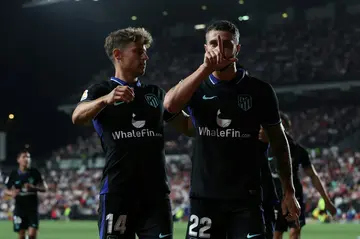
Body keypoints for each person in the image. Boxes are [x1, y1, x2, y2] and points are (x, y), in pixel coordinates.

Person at [163, 20, 300, 239]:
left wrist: (289, 191)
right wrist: (205, 68)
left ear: (237, 48)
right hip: (205, 199)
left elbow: (279, 141)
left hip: (247, 200)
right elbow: (169, 106)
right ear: (206, 49)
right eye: (213, 44)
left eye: (227, 44)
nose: (220, 49)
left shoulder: (259, 91)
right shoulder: (197, 86)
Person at [72, 27, 192, 239]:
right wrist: (106, 100)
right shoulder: (100, 90)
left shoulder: (155, 93)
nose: (145, 56)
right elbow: (78, 116)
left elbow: (188, 127)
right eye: (139, 51)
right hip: (118, 193)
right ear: (118, 55)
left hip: (156, 196)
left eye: (145, 51)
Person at [259, 112, 337, 239]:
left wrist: (326, 200)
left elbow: (313, 176)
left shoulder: (298, 150)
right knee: (276, 234)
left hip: (294, 195)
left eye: (282, 126)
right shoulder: (264, 148)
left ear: (287, 128)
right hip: (274, 197)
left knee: (295, 232)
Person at [5, 150, 47, 239]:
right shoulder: (14, 174)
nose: (26, 159)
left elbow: (45, 188)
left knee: (32, 235)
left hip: (32, 209)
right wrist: (12, 193)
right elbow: (6, 190)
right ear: (18, 160)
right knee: (21, 235)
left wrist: (34, 188)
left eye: (28, 157)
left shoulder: (35, 172)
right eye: (24, 157)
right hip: (20, 208)